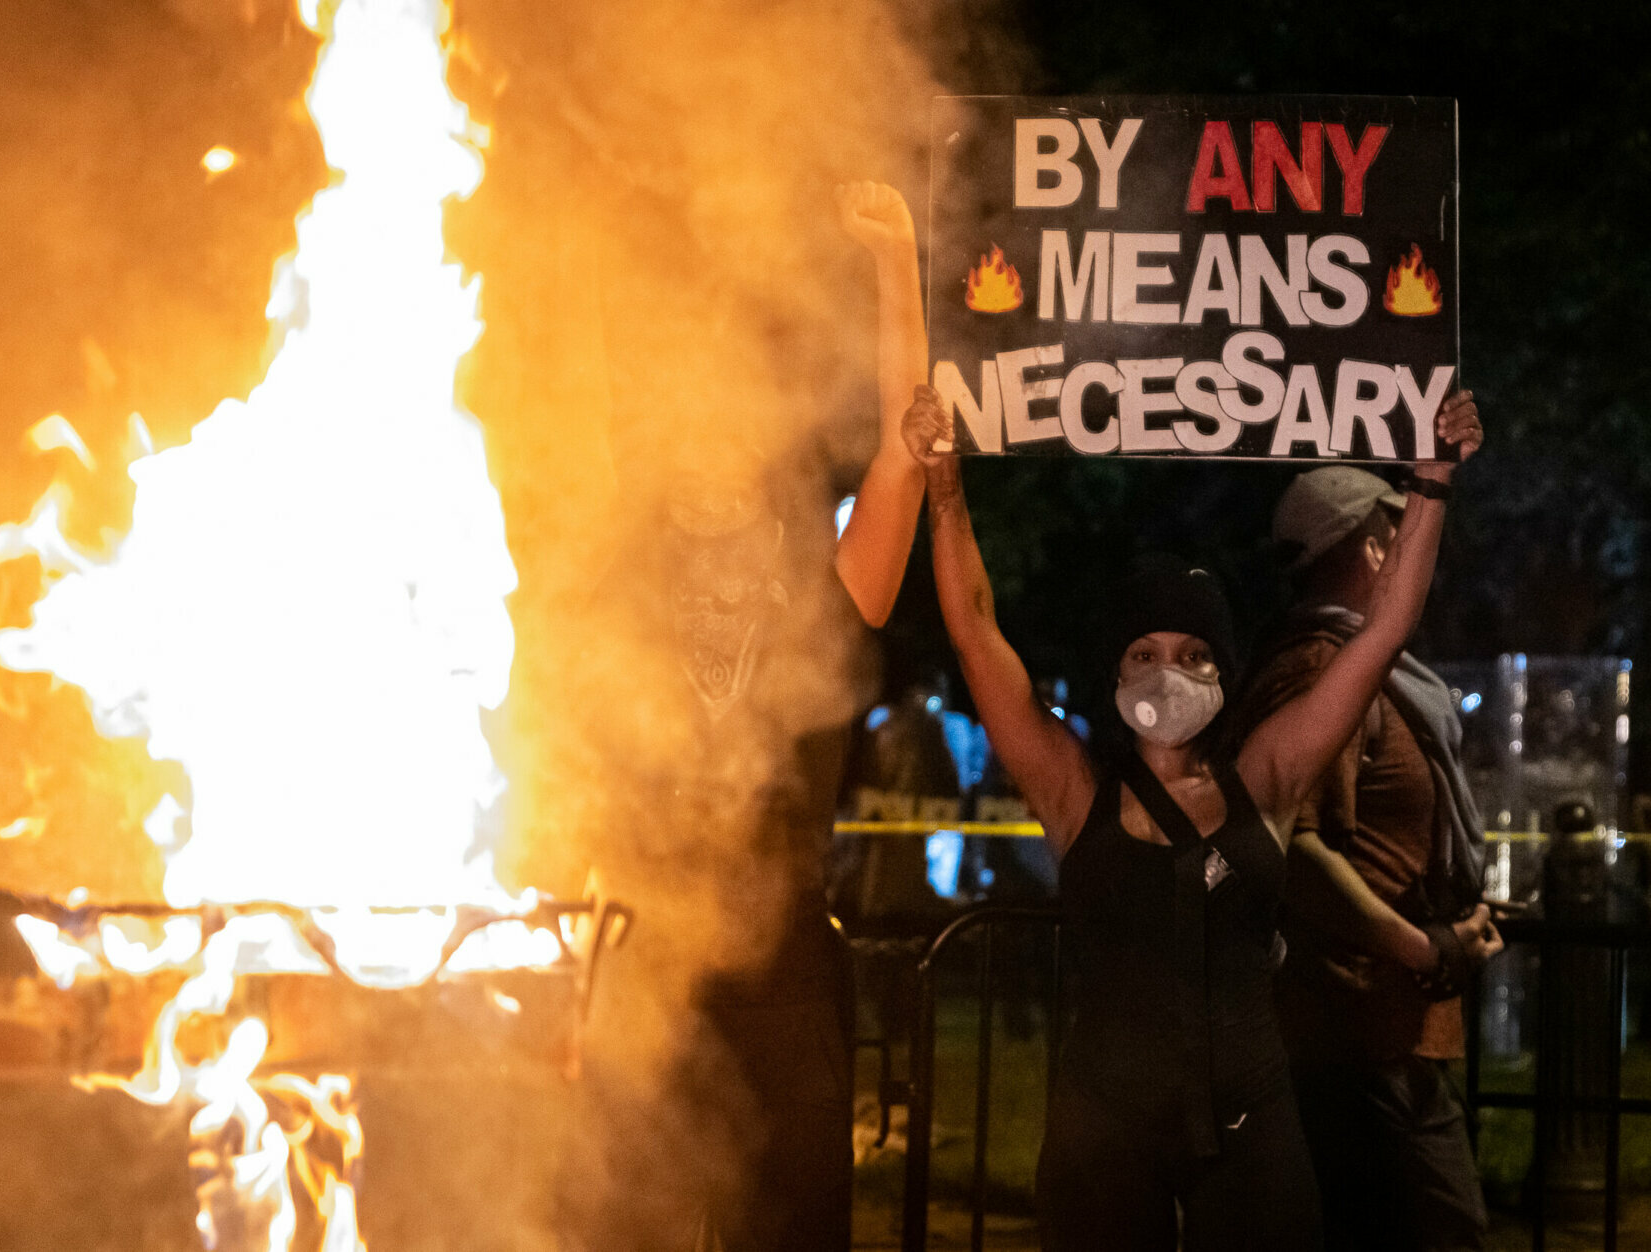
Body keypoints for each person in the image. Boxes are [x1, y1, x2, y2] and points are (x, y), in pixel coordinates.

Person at [902, 385, 1483, 1251]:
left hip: (1250, 1123)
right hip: (1103, 1125)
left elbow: (1380, 634)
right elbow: (976, 630)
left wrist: (1430, 483)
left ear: (1223, 672)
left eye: (1192, 654)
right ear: (1114, 674)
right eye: (1144, 653)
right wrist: (944, 487)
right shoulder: (1073, 791)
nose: (1166, 673)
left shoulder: (1268, 776)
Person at [570, 180, 929, 1252]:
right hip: (641, 983)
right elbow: (574, 410)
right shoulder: (619, 562)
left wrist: (894, 262)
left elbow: (904, 450)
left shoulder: (823, 585)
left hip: (784, 985)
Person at [1230, 463, 1505, 1252]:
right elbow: (1291, 849)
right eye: (1396, 531)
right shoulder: (1323, 670)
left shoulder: (1352, 666)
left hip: (1382, 1033)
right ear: (1367, 549)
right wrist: (1422, 946)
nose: (1413, 551)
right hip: (1353, 1039)